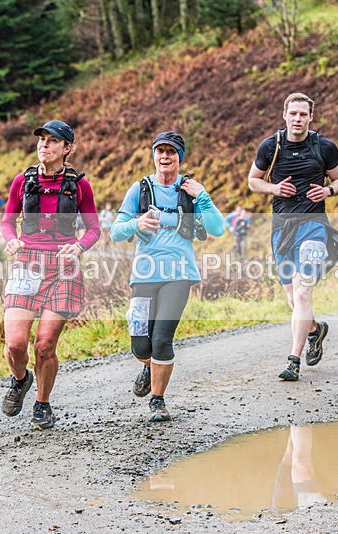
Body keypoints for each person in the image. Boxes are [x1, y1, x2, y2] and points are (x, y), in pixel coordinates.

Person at [110, 131, 225, 422]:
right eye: (160, 151)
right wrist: (136, 223)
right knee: (141, 344)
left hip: (179, 275)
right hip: (144, 275)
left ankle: (158, 400)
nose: (165, 156)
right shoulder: (140, 189)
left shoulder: (189, 191)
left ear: (179, 157)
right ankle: (149, 367)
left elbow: (217, 229)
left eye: (171, 152)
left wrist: (203, 197)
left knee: (162, 340)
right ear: (154, 156)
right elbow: (115, 231)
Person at [0, 120, 100, 429]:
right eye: (42, 139)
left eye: (52, 141)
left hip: (64, 265)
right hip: (26, 261)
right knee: (16, 345)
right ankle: (20, 379)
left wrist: (79, 247)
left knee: (44, 344)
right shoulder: (22, 180)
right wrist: (11, 240)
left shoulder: (79, 185)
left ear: (67, 148)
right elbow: (6, 221)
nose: (44, 144)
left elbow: (94, 229)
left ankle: (43, 404)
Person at [247, 92, 338, 381]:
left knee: (304, 292)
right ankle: (316, 330)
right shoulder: (271, 146)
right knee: (294, 301)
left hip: (314, 227)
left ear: (310, 117)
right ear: (285, 115)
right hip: (282, 229)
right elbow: (253, 181)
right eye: (293, 114)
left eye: (303, 114)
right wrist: (274, 189)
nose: (298, 119)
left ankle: (293, 360)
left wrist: (328, 190)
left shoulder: (324, 147)